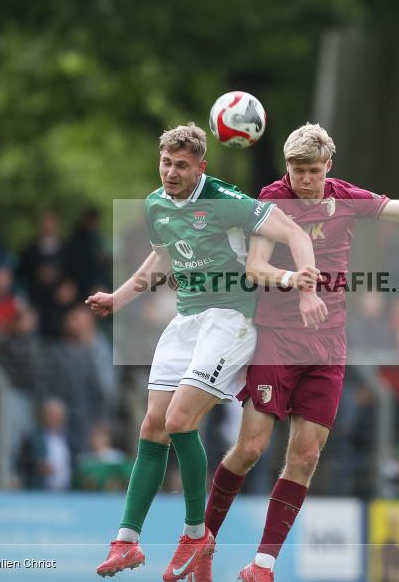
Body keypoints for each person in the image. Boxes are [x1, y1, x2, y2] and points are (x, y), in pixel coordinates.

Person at [199, 123, 399, 582]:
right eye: (297, 170)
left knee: (306, 458)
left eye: (313, 171)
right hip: (277, 337)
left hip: (328, 343)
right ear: (287, 167)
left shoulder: (344, 195)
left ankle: (262, 566)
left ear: (328, 167)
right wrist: (295, 281)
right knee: (251, 447)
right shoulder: (272, 198)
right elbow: (256, 268)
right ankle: (202, 540)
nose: (305, 180)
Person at [85, 123, 321, 579]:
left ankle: (196, 533)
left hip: (229, 320)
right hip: (187, 319)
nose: (171, 172)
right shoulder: (156, 204)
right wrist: (118, 297)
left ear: (201, 168)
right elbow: (162, 257)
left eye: (182, 166)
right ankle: (127, 542)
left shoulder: (225, 200)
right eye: (166, 163)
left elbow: (294, 232)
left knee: (178, 420)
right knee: (153, 425)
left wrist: (305, 283)